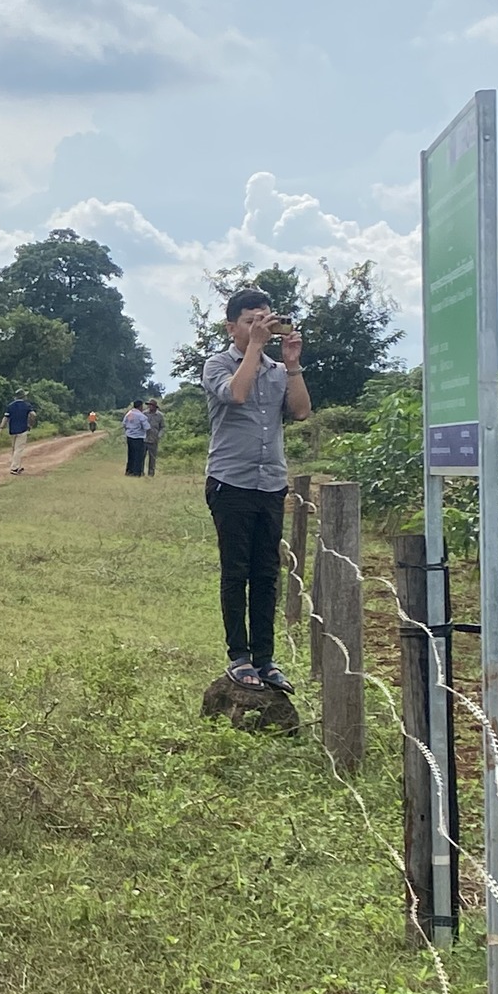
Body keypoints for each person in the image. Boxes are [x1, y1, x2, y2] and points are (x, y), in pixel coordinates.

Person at [202, 288, 311, 692]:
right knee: (237, 571)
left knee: (266, 573)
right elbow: (236, 393)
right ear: (231, 327)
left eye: (266, 319)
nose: (259, 327)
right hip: (230, 482)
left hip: (270, 483)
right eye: (250, 321)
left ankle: (265, 659)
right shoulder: (217, 364)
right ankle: (239, 656)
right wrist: (255, 348)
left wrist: (293, 365)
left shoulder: (278, 371)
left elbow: (301, 412)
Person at [3, 391, 35, 474]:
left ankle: (16, 466)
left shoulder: (10, 405)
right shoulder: (26, 405)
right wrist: (30, 424)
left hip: (12, 430)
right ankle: (14, 468)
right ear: (23, 396)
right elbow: (33, 414)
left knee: (14, 449)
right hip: (22, 429)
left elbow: (6, 417)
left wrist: (1, 426)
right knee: (19, 449)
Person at [122, 400, 150, 477]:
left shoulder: (129, 414)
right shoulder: (141, 416)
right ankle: (136, 472)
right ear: (140, 406)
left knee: (131, 454)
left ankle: (129, 471)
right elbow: (147, 427)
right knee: (138, 455)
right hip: (138, 437)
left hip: (129, 437)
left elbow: (124, 424)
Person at [144, 398, 165, 477]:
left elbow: (162, 427)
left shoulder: (160, 416)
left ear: (155, 406)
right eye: (149, 405)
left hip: (154, 439)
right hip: (144, 438)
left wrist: (159, 436)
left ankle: (151, 474)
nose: (150, 406)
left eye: (151, 405)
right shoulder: (144, 414)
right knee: (141, 456)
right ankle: (141, 472)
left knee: (152, 458)